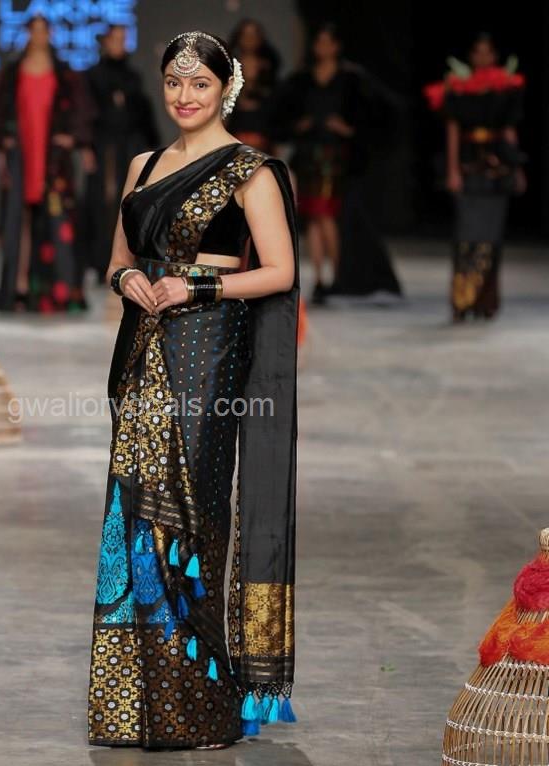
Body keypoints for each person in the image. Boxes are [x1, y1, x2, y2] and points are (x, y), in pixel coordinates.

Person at [87, 31, 299, 749]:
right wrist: (128, 278)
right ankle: (133, 704)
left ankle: (200, 703)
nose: (184, 96)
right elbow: (117, 258)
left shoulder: (249, 171)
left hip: (208, 349)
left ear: (225, 88)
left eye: (199, 83)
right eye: (174, 82)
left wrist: (196, 286)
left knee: (193, 512)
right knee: (132, 514)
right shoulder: (144, 165)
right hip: (142, 350)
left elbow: (279, 271)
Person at [279, 23, 401, 304]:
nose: (322, 47)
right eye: (319, 42)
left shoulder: (351, 78)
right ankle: (320, 278)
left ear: (337, 46)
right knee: (313, 216)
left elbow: (379, 111)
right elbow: (282, 113)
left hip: (335, 157)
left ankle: (335, 277)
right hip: (308, 155)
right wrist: (299, 125)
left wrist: (349, 129)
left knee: (327, 215)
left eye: (328, 42)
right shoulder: (303, 79)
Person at [0, 15, 95, 313]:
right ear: (26, 34)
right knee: (18, 221)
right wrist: (2, 144)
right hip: (22, 154)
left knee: (59, 221)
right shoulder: (13, 72)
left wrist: (74, 139)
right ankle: (19, 288)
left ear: (50, 34)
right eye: (33, 30)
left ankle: (59, 290)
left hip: (53, 159)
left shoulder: (64, 73)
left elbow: (80, 111)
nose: (38, 36)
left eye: (43, 30)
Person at [424, 33, 525, 322]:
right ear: (471, 56)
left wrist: (517, 167)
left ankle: (485, 302)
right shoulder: (458, 88)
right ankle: (462, 300)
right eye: (477, 52)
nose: (482, 57)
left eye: (487, 52)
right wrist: (453, 169)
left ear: (494, 56)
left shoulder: (505, 87)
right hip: (468, 163)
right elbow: (453, 130)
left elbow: (509, 130)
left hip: (497, 165)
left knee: (491, 237)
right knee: (466, 234)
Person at [82, 24, 159, 282]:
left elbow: (143, 113)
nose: (120, 43)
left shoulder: (132, 76)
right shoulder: (93, 75)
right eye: (115, 38)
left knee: (130, 201)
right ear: (104, 42)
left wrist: (153, 147)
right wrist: (86, 146)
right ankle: (101, 262)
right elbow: (87, 114)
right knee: (103, 203)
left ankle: (128, 259)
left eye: (123, 38)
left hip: (130, 146)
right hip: (104, 147)